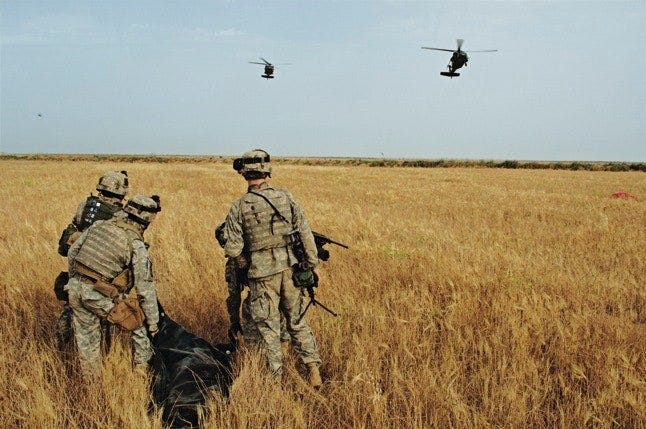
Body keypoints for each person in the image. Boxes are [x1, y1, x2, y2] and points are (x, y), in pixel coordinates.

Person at [221, 149, 322, 388]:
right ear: (267, 171)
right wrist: (313, 264)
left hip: (261, 275)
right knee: (297, 321)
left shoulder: (239, 207)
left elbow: (233, 249)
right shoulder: (286, 197)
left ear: (244, 174)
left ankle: (274, 381)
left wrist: (247, 266)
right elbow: (305, 233)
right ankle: (313, 371)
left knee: (268, 328)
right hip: (291, 271)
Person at [66, 194, 162, 377]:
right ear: (146, 222)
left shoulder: (99, 225)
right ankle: (141, 377)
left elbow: (73, 253)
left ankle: (92, 386)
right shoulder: (135, 243)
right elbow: (145, 288)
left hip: (75, 289)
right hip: (96, 294)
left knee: (87, 341)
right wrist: (153, 323)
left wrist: (75, 281)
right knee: (137, 327)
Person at [54, 171, 130, 351]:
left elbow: (63, 247)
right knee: (104, 325)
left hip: (76, 277)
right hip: (103, 282)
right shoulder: (120, 216)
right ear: (121, 193)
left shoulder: (84, 208)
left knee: (72, 314)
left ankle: (61, 352)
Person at [215, 222, 291, 350]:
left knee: (250, 310)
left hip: (262, 299)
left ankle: (255, 353)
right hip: (284, 293)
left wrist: (234, 321)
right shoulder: (267, 244)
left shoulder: (234, 261)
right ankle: (283, 353)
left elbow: (234, 295)